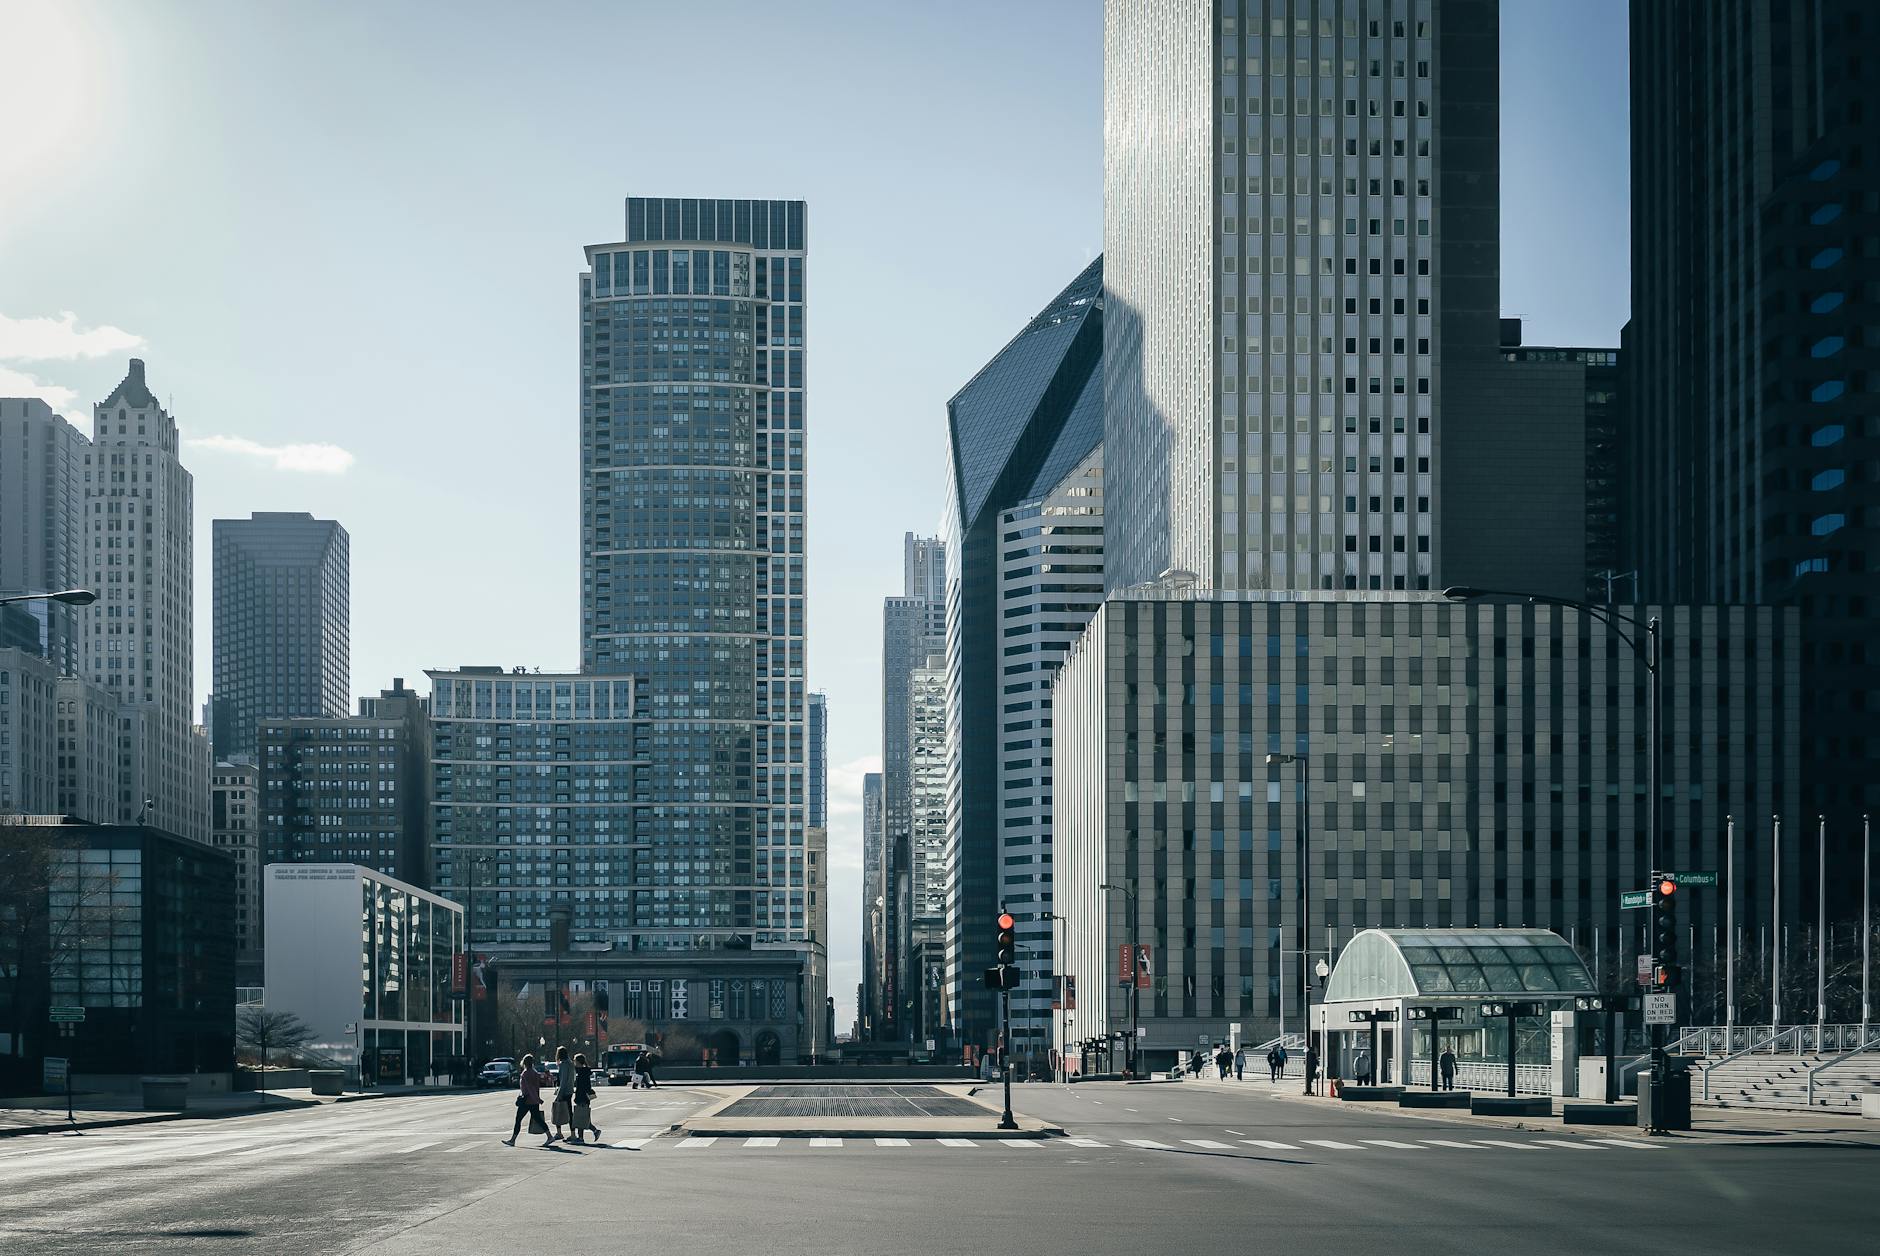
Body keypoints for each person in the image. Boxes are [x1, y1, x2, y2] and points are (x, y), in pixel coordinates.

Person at [503, 1053, 551, 1147]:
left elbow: (527, 1089)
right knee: (538, 1119)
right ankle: (549, 1136)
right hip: (534, 1100)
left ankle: (513, 1140)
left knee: (518, 1119)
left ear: (524, 1062)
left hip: (526, 1100)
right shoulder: (535, 1073)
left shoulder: (525, 1074)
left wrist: (525, 1096)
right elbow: (536, 1088)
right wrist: (537, 1099)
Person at [570, 1053, 602, 1144]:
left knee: (580, 1118)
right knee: (584, 1118)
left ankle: (581, 1138)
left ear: (578, 1062)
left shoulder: (582, 1073)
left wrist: (580, 1096)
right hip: (582, 1097)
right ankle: (595, 1131)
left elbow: (584, 1087)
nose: (574, 1062)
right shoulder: (583, 1072)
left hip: (582, 1098)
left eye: (575, 1060)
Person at [551, 1046, 575, 1141]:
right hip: (569, 1090)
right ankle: (572, 1133)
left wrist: (559, 1095)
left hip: (564, 1091)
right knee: (569, 1112)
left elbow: (563, 1081)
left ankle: (559, 1132)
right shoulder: (571, 1064)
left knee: (557, 1111)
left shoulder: (564, 1065)